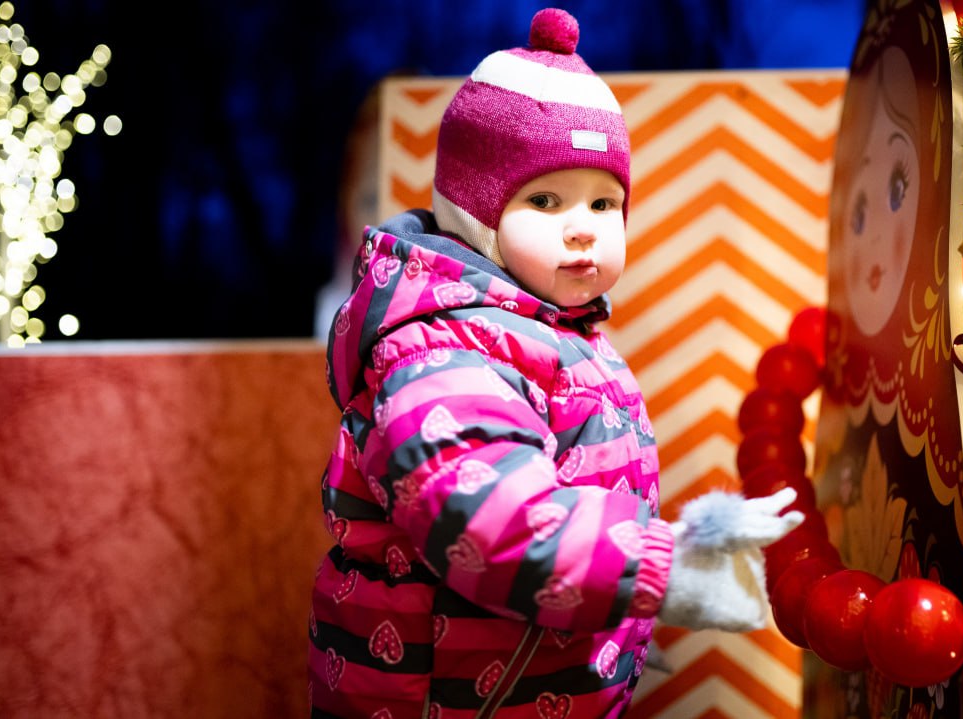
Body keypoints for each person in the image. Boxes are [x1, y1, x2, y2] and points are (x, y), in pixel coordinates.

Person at [308, 9, 803, 718]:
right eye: (544, 200)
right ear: (475, 215)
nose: (583, 228)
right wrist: (657, 570)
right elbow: (490, 519)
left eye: (604, 202)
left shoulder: (555, 333)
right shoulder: (445, 347)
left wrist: (613, 634)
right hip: (444, 698)